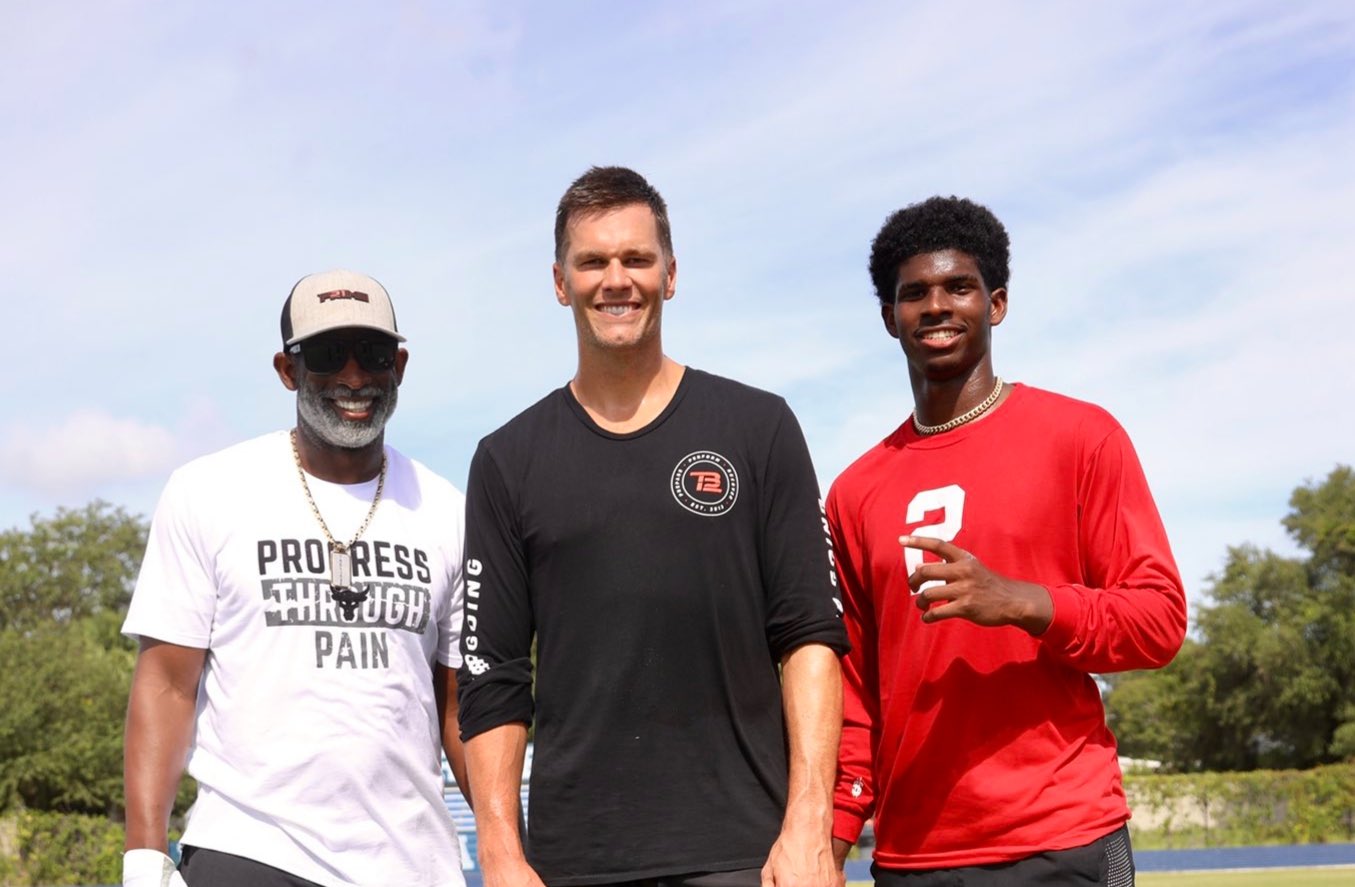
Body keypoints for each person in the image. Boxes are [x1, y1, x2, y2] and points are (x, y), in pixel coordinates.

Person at [456, 166, 849, 887]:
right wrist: (501, 852)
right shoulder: (508, 460)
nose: (616, 280)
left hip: (749, 855)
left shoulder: (758, 428)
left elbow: (810, 638)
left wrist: (809, 824)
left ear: (670, 274)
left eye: (636, 258)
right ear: (560, 281)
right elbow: (494, 675)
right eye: (592, 262)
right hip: (579, 864)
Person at [827, 197, 1187, 887]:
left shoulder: (1080, 437)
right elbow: (854, 696)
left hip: (1063, 837)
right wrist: (835, 835)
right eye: (914, 293)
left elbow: (1158, 620)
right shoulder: (854, 491)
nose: (936, 306)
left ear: (995, 304)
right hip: (912, 856)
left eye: (958, 287)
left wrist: (1023, 601)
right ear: (889, 318)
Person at [122, 270, 469, 887]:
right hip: (249, 850)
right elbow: (168, 685)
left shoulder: (447, 510)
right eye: (329, 354)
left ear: (400, 366)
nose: (354, 377)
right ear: (288, 369)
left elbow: (459, 704)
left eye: (374, 354)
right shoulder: (208, 491)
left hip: (411, 864)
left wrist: (507, 841)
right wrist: (144, 859)